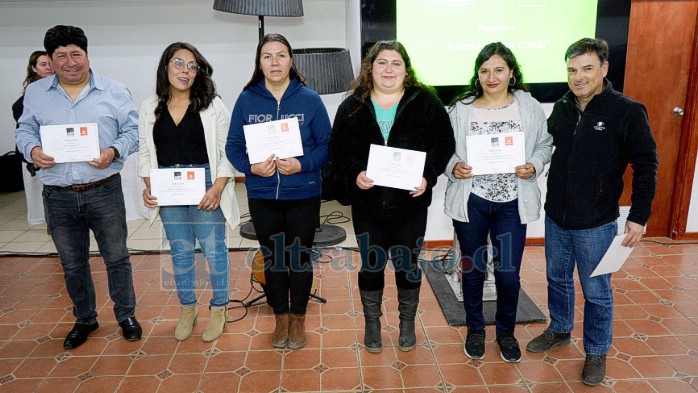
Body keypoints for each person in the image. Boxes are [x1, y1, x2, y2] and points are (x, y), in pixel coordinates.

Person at [525, 38, 658, 386]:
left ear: (604, 69)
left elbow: (647, 165)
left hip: (596, 223)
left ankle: (597, 351)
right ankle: (560, 329)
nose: (578, 77)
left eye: (586, 69)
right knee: (557, 279)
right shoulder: (563, 108)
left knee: (596, 291)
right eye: (572, 70)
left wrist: (639, 215)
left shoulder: (627, 111)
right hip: (556, 217)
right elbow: (544, 148)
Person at [15, 25, 142, 350]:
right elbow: (25, 130)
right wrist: (33, 150)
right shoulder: (36, 93)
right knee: (72, 263)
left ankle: (126, 315)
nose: (70, 62)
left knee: (116, 257)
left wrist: (113, 151)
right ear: (51, 60)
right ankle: (85, 318)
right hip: (58, 195)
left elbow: (132, 131)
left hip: (104, 190)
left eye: (76, 54)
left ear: (87, 55)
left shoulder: (114, 90)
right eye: (61, 57)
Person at [329, 41, 455, 353]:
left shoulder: (426, 101)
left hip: (410, 204)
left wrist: (428, 175)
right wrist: (355, 173)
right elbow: (338, 150)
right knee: (371, 266)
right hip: (368, 205)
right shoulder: (352, 106)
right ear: (370, 69)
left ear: (406, 69)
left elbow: (444, 143)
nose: (389, 69)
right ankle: (372, 322)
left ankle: (407, 322)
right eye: (382, 62)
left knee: (407, 265)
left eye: (396, 63)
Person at [444, 42, 553, 363]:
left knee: (507, 274)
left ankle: (506, 332)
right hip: (472, 201)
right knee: (473, 270)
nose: (491, 76)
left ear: (512, 73)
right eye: (484, 70)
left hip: (512, 203)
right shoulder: (461, 108)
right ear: (477, 75)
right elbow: (444, 148)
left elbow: (545, 144)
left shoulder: (529, 106)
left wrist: (533, 163)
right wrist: (454, 166)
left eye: (498, 69)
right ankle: (475, 329)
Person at [225, 33, 331, 349]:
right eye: (268, 56)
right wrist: (251, 167)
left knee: (299, 259)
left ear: (290, 60)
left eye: (281, 55)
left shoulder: (309, 99)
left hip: (303, 194)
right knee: (272, 259)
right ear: (259, 62)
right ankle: (280, 318)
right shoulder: (247, 99)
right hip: (262, 194)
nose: (275, 62)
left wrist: (302, 165)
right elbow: (232, 146)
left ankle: (297, 320)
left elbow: (326, 147)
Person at [139, 42, 240, 342]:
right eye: (179, 63)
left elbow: (227, 152)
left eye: (192, 66)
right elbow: (145, 152)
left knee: (213, 250)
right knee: (181, 252)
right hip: (168, 186)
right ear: (165, 66)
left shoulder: (212, 105)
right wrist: (149, 185)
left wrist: (218, 188)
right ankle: (188, 309)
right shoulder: (149, 106)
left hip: (205, 184)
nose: (185, 71)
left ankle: (219, 309)